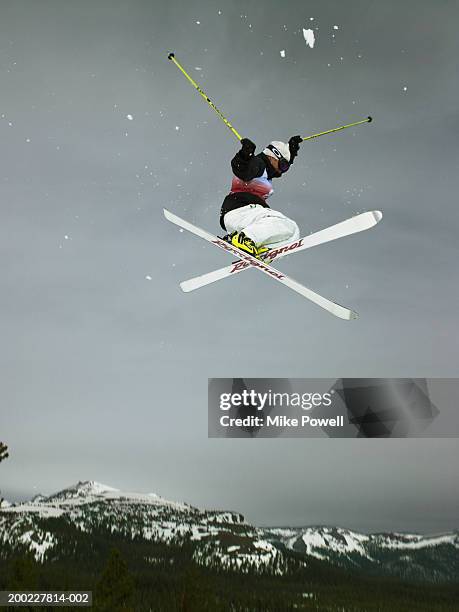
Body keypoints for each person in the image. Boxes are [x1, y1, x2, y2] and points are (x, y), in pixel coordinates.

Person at [220, 135, 303, 258]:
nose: (282, 171)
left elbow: (274, 169)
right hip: (241, 210)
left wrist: (291, 152)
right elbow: (243, 170)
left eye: (285, 168)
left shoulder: (266, 171)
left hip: (242, 217)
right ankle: (246, 238)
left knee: (293, 233)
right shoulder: (258, 164)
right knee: (285, 224)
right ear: (272, 156)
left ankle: (260, 247)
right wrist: (245, 154)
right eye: (283, 165)